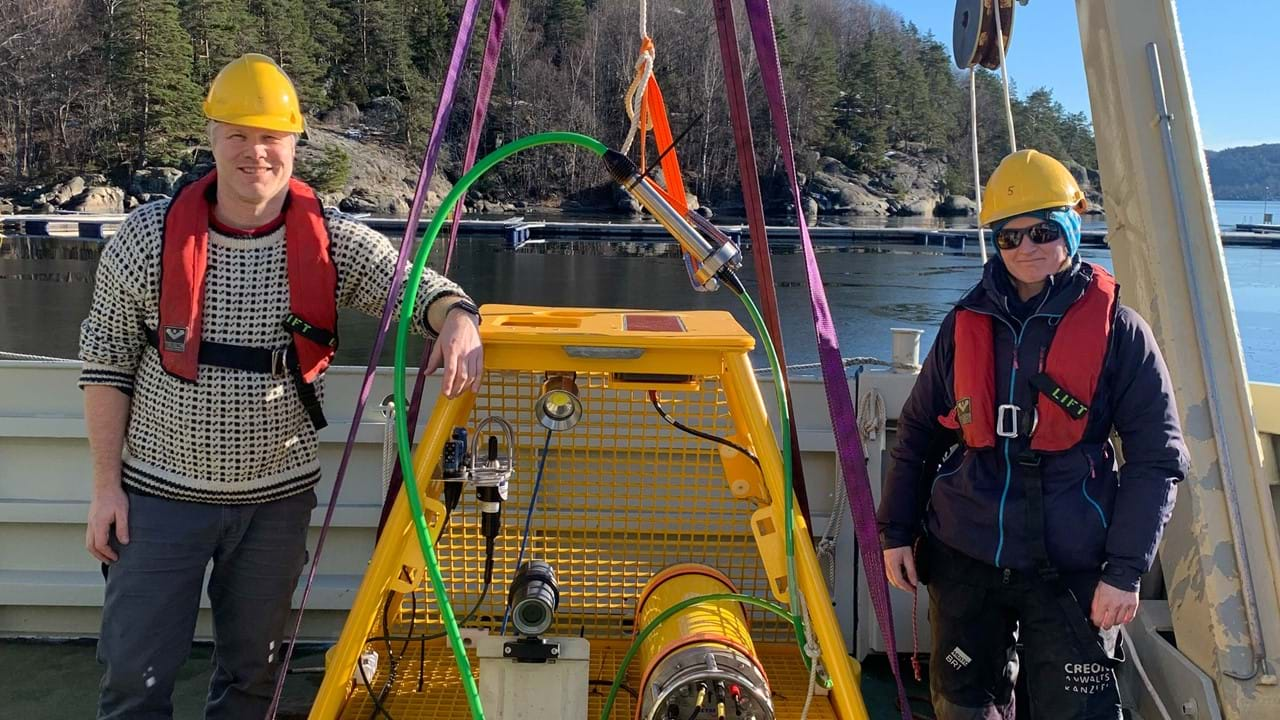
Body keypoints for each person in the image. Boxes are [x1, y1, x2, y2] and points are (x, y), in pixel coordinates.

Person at [79, 54, 483, 719]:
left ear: (295, 142)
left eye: (270, 136)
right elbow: (105, 366)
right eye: (236, 133)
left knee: (253, 683)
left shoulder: (332, 241)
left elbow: (420, 289)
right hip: (157, 499)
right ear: (211, 137)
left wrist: (459, 319)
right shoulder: (144, 239)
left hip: (275, 504)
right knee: (133, 681)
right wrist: (104, 491)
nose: (254, 152)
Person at [877, 149, 1189, 719]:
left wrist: (1124, 572)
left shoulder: (1120, 330)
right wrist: (895, 530)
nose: (1027, 248)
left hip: (1073, 568)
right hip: (967, 555)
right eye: (1009, 237)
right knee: (964, 708)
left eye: (1043, 230)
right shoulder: (965, 322)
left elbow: (1156, 458)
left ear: (1072, 224)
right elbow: (920, 431)